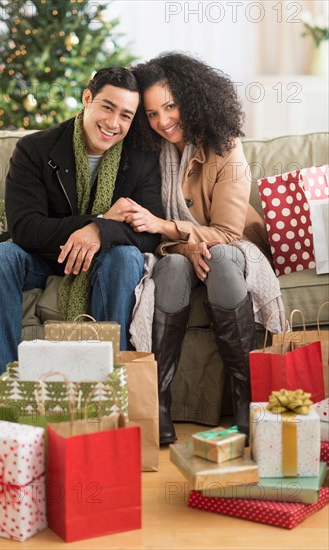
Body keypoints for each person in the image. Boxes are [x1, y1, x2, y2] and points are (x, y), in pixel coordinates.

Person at [0, 67, 164, 392]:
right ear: (87, 98)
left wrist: (99, 232)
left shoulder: (141, 160)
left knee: (127, 256)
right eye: (107, 107)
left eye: (126, 115)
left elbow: (149, 233)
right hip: (42, 258)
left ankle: (113, 388)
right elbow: (25, 227)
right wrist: (98, 219)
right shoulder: (34, 149)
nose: (114, 123)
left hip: (103, 259)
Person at [126, 53, 283, 444]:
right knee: (175, 269)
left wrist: (172, 228)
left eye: (170, 106)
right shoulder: (146, 155)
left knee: (223, 257)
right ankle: (158, 404)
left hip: (227, 252)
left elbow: (229, 233)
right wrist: (184, 243)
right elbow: (145, 235)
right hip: (173, 256)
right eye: (151, 114)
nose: (162, 121)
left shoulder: (225, 146)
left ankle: (246, 399)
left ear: (192, 99)